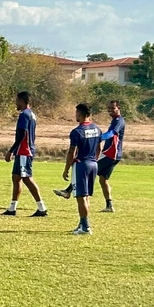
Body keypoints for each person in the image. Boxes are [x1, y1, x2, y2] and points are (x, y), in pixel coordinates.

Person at [56, 100, 124, 212]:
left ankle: (68, 191)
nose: (110, 110)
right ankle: (109, 205)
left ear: (119, 108)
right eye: (109, 108)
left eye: (113, 108)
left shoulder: (118, 120)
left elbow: (112, 134)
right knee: (103, 179)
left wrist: (97, 138)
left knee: (86, 170)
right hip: (114, 155)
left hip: (110, 154)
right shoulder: (113, 121)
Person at [2, 91, 47, 217]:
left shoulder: (24, 115)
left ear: (21, 101)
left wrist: (11, 151)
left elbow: (22, 135)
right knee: (16, 178)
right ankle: (12, 208)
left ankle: (42, 208)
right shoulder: (32, 114)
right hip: (24, 150)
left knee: (27, 178)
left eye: (16, 100)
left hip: (24, 151)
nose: (15, 103)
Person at [63, 103, 103, 235]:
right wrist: (94, 159)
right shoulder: (97, 129)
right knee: (86, 196)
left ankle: (85, 227)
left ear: (80, 114)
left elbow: (71, 152)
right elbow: (99, 148)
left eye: (76, 113)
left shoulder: (77, 132)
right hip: (93, 164)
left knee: (80, 196)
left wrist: (67, 168)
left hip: (81, 164)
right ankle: (82, 224)